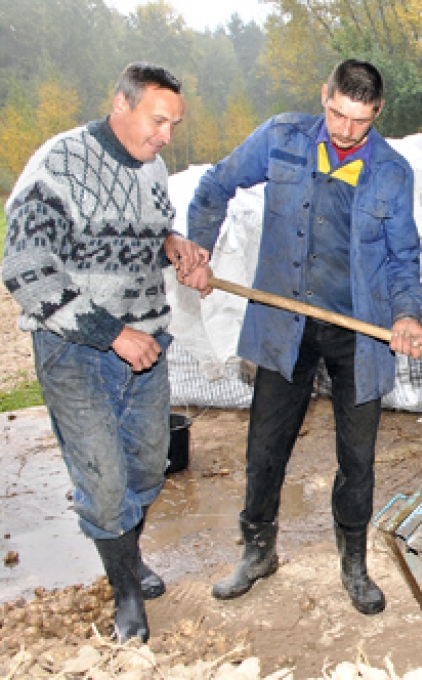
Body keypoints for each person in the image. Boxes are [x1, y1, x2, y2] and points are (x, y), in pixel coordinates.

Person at [187, 59, 422, 616]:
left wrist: (408, 314)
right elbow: (216, 183)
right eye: (338, 114)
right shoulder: (281, 137)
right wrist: (197, 246)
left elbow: (403, 257)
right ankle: (257, 551)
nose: (345, 131)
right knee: (265, 446)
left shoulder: (391, 170)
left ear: (378, 113)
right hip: (284, 323)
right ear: (325, 95)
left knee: (358, 456)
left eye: (359, 122)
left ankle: (353, 562)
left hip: (356, 333)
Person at [2, 62, 211, 641]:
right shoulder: (60, 164)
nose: (166, 135)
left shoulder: (152, 167)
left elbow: (155, 230)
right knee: (102, 478)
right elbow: (24, 268)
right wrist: (111, 333)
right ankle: (124, 593)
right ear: (121, 104)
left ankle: (128, 554)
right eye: (158, 120)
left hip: (146, 350)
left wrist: (178, 247)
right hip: (77, 352)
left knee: (147, 466)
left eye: (173, 124)